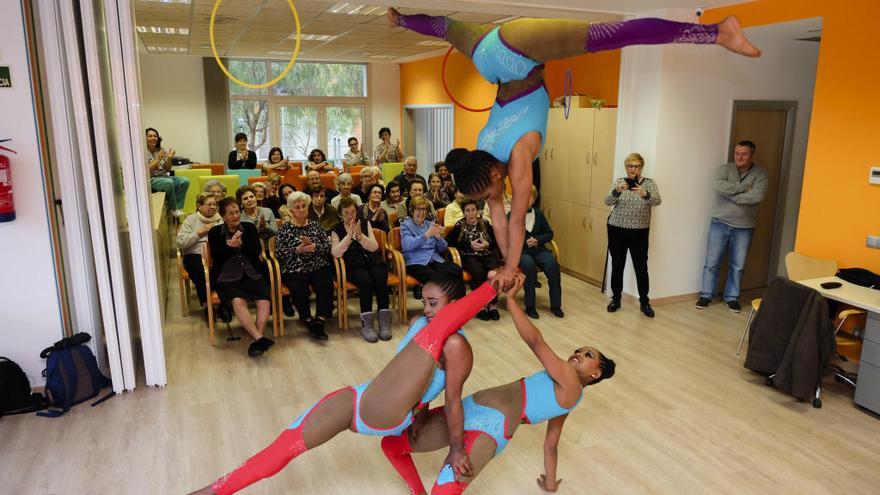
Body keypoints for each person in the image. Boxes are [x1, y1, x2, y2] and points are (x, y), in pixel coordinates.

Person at [390, 8, 761, 292]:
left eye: (489, 194)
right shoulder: (485, 154)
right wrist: (509, 265)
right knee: (445, 27)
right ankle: (401, 20)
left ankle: (717, 31)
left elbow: (515, 221)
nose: (492, 200)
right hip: (487, 55)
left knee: (612, 35)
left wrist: (509, 267)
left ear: (493, 175)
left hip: (517, 50)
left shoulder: (518, 157)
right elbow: (501, 220)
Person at [188, 276, 499, 495]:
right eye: (425, 301)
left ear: (457, 303)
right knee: (282, 449)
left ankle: (492, 285)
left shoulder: (456, 346)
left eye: (434, 303)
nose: (427, 310)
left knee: (444, 334)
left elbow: (453, 399)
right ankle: (212, 490)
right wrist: (421, 411)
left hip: (385, 411)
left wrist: (457, 449)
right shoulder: (422, 326)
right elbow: (412, 377)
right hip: (358, 400)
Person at [381, 274, 615, 495]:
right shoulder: (567, 396)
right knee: (391, 444)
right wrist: (551, 481)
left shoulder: (570, 382)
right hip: (466, 410)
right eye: (579, 350)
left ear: (595, 374)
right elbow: (551, 444)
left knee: (442, 491)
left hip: (490, 430)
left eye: (588, 355)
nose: (578, 354)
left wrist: (511, 300)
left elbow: (535, 341)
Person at [696, 140, 768, 313]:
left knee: (738, 265)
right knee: (712, 262)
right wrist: (743, 188)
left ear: (752, 155)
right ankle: (706, 295)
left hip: (744, 227)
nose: (739, 157)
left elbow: (757, 196)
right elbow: (717, 185)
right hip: (719, 223)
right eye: (737, 153)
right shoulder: (724, 169)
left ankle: (732, 298)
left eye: (744, 154)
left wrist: (732, 195)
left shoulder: (760, 174)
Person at [207, 198, 275, 356]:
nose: (235, 216)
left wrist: (242, 245)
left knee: (264, 300)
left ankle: (257, 340)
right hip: (227, 275)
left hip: (251, 271)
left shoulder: (250, 228)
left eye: (237, 212)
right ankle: (259, 338)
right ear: (223, 216)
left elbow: (256, 251)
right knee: (238, 301)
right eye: (231, 213)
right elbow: (216, 257)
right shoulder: (215, 232)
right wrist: (229, 247)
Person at [604, 153, 662, 318]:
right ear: (626, 167)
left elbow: (657, 201)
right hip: (617, 229)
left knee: (641, 268)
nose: (633, 169)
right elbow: (607, 201)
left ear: (641, 168)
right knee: (617, 265)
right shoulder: (619, 182)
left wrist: (645, 194)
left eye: (636, 166)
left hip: (640, 232)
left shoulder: (649, 184)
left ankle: (644, 302)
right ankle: (616, 299)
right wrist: (616, 191)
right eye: (630, 166)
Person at [332, 197, 393, 343]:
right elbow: (336, 253)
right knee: (366, 283)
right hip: (353, 265)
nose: (350, 215)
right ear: (340, 215)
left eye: (353, 212)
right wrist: (349, 236)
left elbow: (374, 247)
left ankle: (384, 322)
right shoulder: (336, 230)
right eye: (346, 213)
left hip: (373, 261)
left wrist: (360, 236)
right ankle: (367, 324)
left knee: (380, 280)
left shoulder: (365, 224)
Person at [275, 192, 335, 340]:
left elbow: (328, 246)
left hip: (317, 263)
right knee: (298, 286)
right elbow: (279, 252)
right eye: (297, 207)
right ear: (291, 210)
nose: (301, 209)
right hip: (294, 266)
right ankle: (307, 319)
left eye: (304, 206)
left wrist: (315, 246)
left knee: (325, 283)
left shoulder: (315, 226)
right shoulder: (285, 229)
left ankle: (320, 319)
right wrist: (297, 250)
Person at [447, 199, 502, 320]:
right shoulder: (459, 225)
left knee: (494, 274)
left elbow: (495, 242)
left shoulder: (485, 223)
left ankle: (493, 304)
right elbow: (449, 242)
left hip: (486, 254)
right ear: (463, 212)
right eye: (467, 211)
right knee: (479, 273)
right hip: (469, 256)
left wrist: (487, 244)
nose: (471, 213)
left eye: (473, 210)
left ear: (477, 211)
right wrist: (469, 245)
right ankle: (480, 306)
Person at [518, 186, 562, 319]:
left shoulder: (539, 214)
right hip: (522, 252)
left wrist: (537, 239)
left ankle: (556, 305)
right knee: (529, 266)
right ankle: (530, 306)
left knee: (553, 265)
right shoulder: (513, 215)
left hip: (539, 249)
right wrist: (526, 241)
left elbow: (550, 233)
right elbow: (509, 237)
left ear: (533, 199)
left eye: (529, 197)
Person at [177, 193, 223, 316]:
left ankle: (223, 303)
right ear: (199, 206)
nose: (213, 207)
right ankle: (208, 306)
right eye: (209, 204)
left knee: (225, 269)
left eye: (215, 204)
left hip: (215, 254)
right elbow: (181, 242)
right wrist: (199, 232)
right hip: (195, 254)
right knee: (200, 272)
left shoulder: (220, 220)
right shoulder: (191, 219)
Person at [401, 196, 463, 287]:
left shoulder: (429, 224)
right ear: (411, 211)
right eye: (418, 209)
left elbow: (443, 248)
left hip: (434, 259)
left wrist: (438, 238)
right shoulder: (406, 225)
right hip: (416, 262)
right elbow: (407, 245)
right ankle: (443, 299)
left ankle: (459, 299)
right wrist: (427, 235)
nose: (421, 212)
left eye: (424, 209)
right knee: (436, 278)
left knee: (456, 270)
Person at [145, 127, 189, 217]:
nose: (153, 138)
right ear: (144, 138)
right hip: (151, 179)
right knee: (168, 182)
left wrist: (169, 158)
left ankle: (176, 208)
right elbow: (146, 171)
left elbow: (168, 169)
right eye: (150, 136)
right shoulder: (142, 151)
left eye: (155, 136)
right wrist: (158, 160)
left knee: (185, 181)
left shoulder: (160, 149)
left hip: (164, 176)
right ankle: (173, 208)